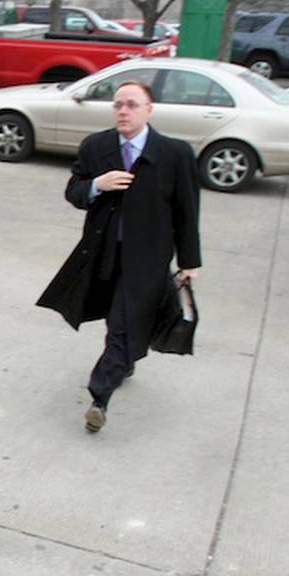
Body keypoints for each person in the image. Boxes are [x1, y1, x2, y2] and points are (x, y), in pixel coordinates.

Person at [37, 80, 201, 434]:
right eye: (118, 105)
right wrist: (98, 184)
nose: (123, 111)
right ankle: (125, 361)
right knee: (119, 321)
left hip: (148, 259)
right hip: (103, 253)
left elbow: (187, 211)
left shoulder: (174, 154)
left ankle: (100, 397)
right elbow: (74, 192)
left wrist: (190, 261)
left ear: (148, 110)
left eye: (131, 104)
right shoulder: (97, 147)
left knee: (125, 323)